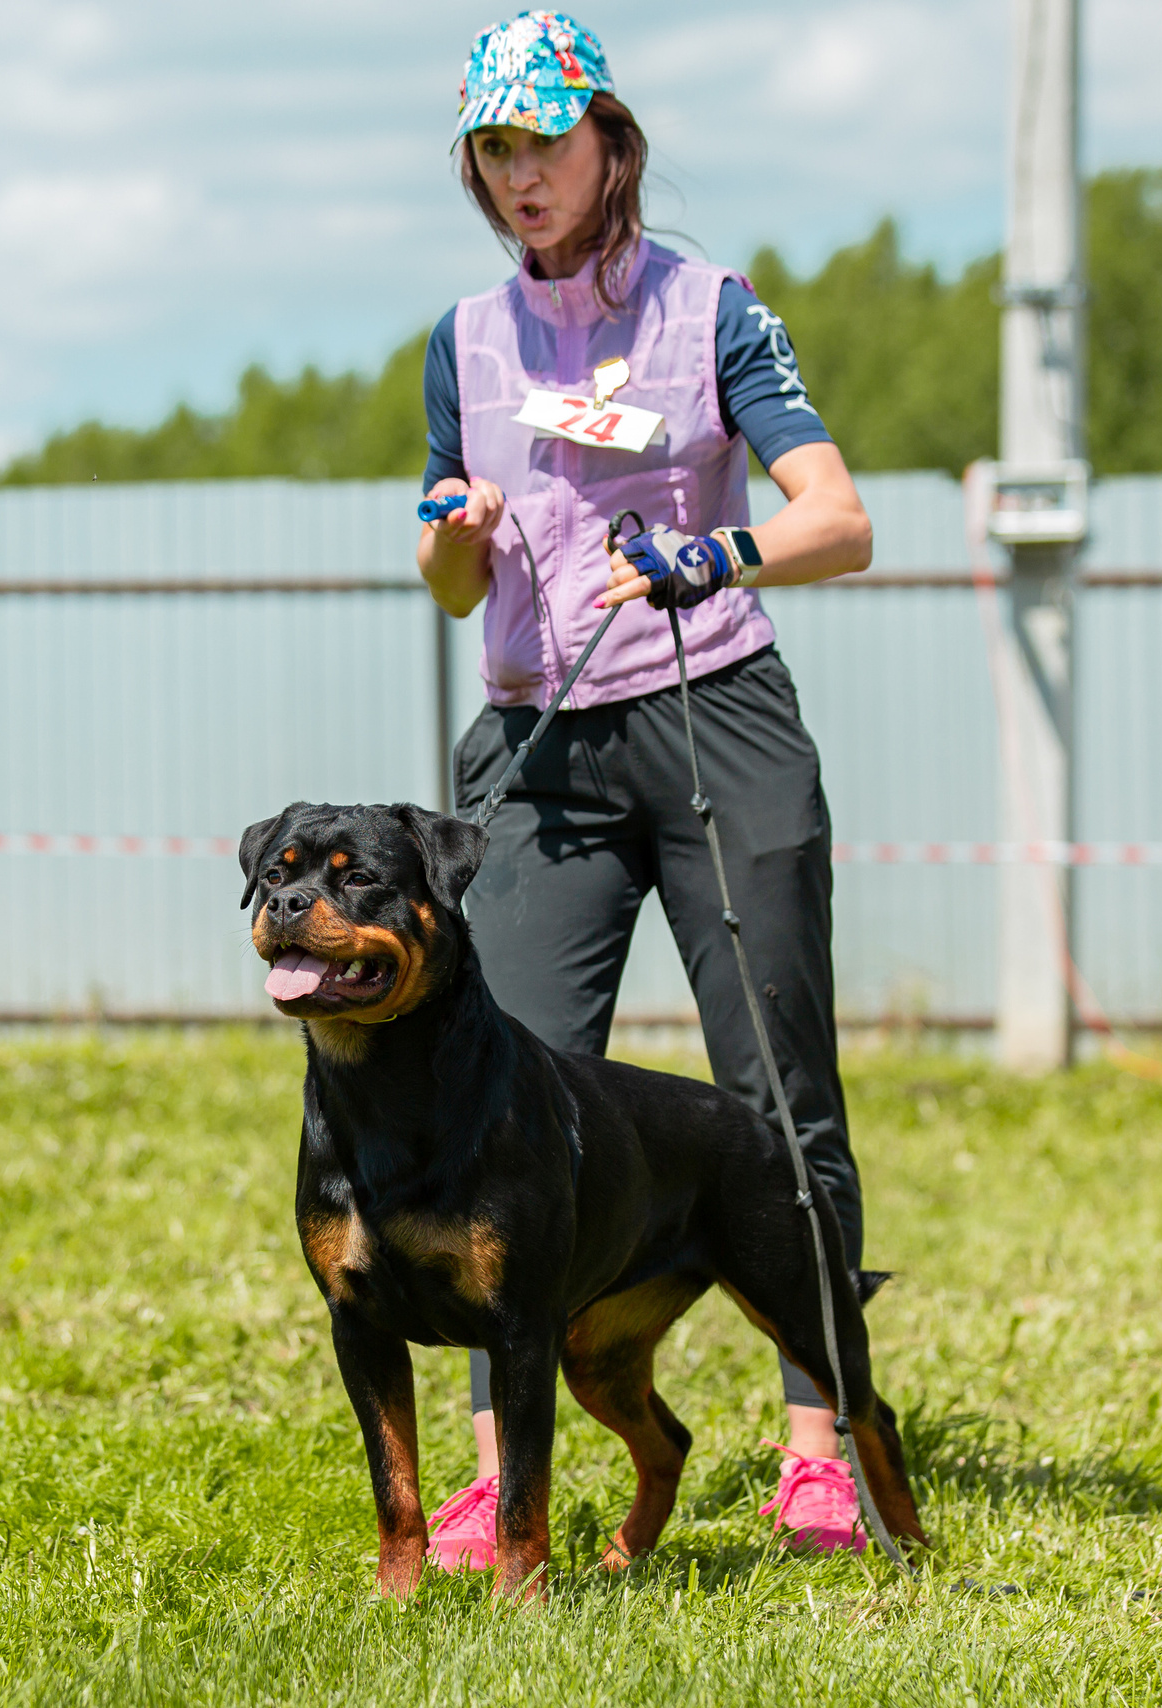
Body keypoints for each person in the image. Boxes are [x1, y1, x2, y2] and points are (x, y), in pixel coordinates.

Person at [414, 11, 880, 1571]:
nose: (521, 173)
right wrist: (457, 541)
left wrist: (718, 551)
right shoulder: (463, 341)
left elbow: (840, 520)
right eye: (494, 149)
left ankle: (817, 1447)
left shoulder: (715, 310)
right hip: (540, 749)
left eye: (545, 140)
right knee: (498, 1120)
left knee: (776, 1097)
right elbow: (448, 584)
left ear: (609, 141)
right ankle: (500, 1479)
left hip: (713, 718)